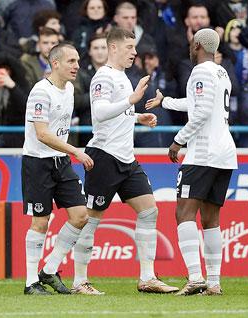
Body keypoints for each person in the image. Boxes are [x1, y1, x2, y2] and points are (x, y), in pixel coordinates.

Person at [71, 27, 179, 295]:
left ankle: (147, 277)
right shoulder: (103, 77)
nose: (134, 52)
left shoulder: (121, 77)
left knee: (149, 210)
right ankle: (79, 281)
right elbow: (99, 112)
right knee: (90, 219)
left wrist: (136, 116)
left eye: (135, 47)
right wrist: (132, 101)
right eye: (130, 47)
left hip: (126, 158)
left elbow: (116, 111)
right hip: (104, 156)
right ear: (114, 48)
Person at [145, 28, 238, 296]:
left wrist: (178, 140)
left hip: (203, 153)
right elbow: (200, 104)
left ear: (197, 44)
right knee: (211, 218)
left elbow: (202, 112)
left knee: (183, 212)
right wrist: (166, 102)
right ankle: (214, 282)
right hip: (224, 153)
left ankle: (196, 277)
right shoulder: (221, 72)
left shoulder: (200, 71)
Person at [22, 42, 94, 295]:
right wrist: (74, 150)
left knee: (80, 216)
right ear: (55, 64)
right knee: (41, 222)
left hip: (60, 162)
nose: (77, 66)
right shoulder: (41, 91)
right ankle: (31, 282)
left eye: (77, 61)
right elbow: (41, 134)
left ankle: (49, 270)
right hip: (38, 162)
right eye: (71, 61)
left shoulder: (70, 89)